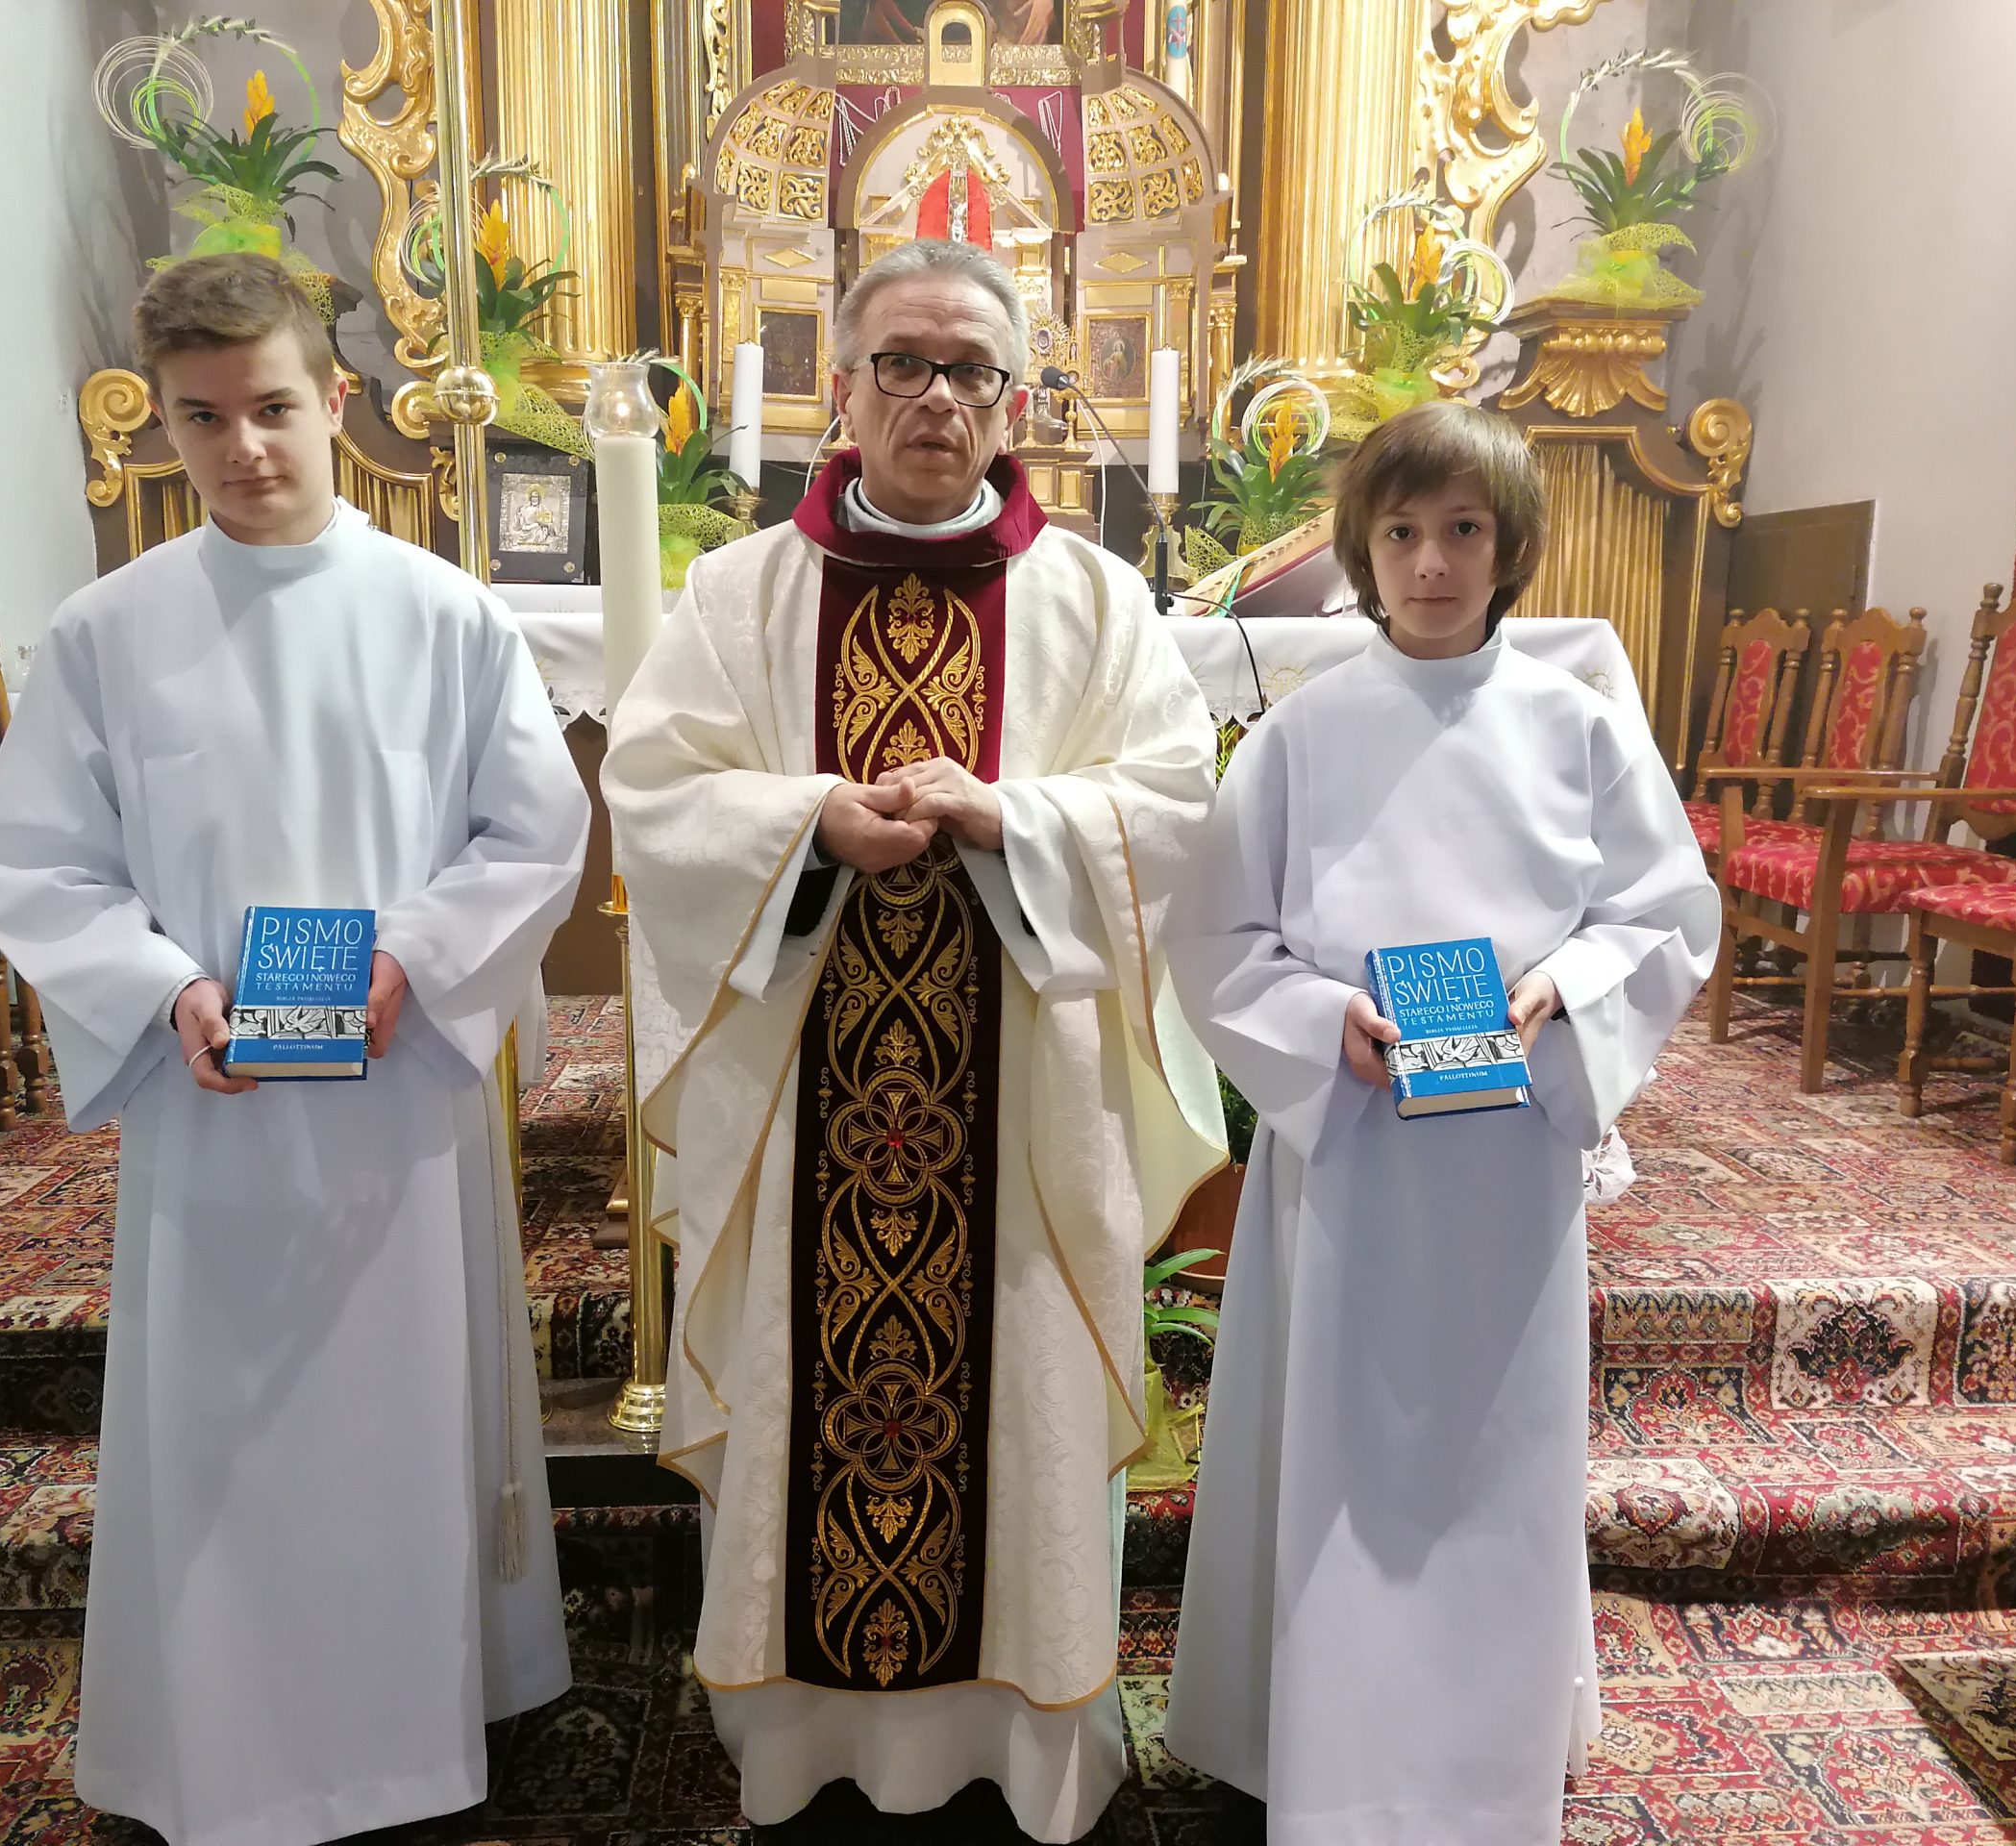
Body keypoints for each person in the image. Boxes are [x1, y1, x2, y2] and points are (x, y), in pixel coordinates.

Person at [601, 237, 1225, 1840]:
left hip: (1020, 1113)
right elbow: (655, 794)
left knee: (1019, 1402)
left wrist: (1014, 821)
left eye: (969, 369)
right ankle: (803, 1743)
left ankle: (1023, 1750)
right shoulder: (743, 594)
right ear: (845, 386)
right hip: (806, 1090)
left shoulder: (1092, 597)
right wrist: (811, 820)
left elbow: (1175, 807)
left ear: (1014, 400)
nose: (934, 396)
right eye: (901, 362)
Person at [0, 253, 589, 1846]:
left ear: (336, 401)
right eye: (202, 417)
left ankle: (409, 1743)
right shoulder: (108, 631)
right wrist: (162, 987)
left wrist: (412, 956)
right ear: (163, 425)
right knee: (223, 1432)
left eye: (272, 408)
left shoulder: (447, 616)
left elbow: (532, 833)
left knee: (400, 1420)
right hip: (216, 1103)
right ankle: (229, 1746)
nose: (241, 446)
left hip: (394, 1097)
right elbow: (36, 858)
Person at [1159, 401, 1718, 1843]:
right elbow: (1219, 938)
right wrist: (1317, 1022)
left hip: (1508, 1156)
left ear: (1510, 546)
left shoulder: (1576, 725)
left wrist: (1562, 987)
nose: (1430, 563)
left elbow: (1665, 916)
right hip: (1351, 1149)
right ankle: (1326, 1742)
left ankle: (1486, 1754)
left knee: (1493, 1452)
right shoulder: (1303, 732)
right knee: (1343, 1444)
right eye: (1401, 532)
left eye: (1463, 530)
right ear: (1362, 550)